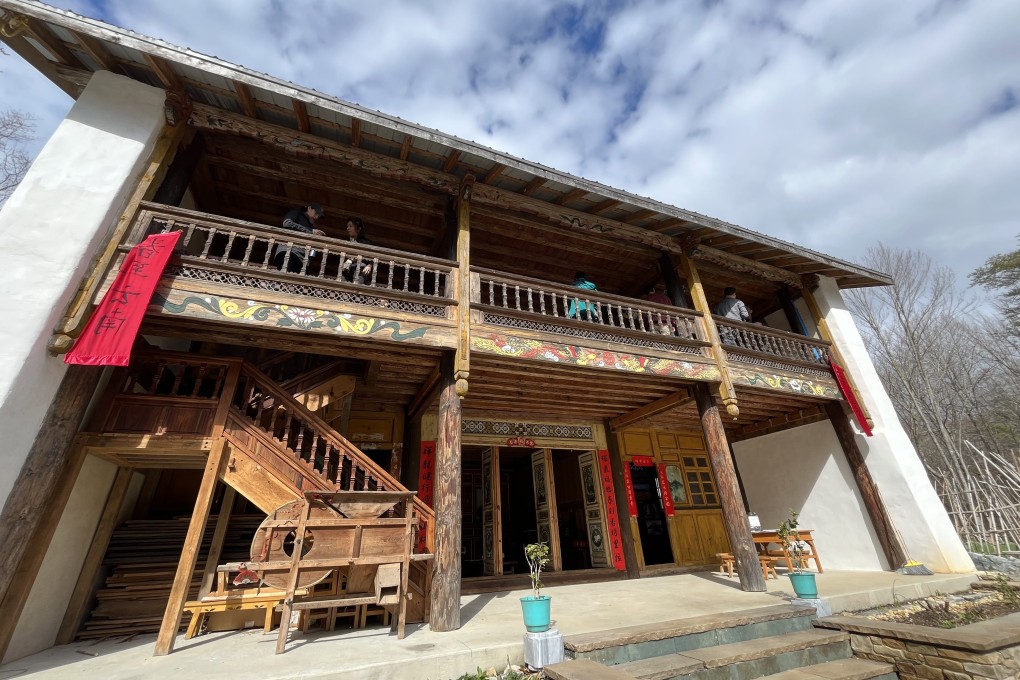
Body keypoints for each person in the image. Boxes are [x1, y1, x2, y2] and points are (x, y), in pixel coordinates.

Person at [274, 203, 325, 273]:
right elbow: (287, 223)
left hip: (301, 259)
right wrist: (310, 231)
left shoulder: (312, 227)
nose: (317, 217)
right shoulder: (297, 213)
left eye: (319, 216)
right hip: (289, 252)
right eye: (316, 213)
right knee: (285, 277)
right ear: (309, 208)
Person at [340, 217, 373, 284]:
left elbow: (372, 257)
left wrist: (369, 266)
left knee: (357, 283)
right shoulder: (347, 242)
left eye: (351, 226)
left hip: (359, 269)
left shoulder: (366, 243)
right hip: (347, 269)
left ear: (358, 228)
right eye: (347, 226)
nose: (348, 228)